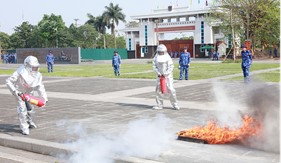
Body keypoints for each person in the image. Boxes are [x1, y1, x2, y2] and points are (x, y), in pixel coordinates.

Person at [6, 56, 48, 135]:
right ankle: (24, 127)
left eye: (36, 67)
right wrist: (15, 91)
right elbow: (8, 81)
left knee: (30, 109)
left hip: (29, 94)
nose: (35, 69)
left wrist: (44, 97)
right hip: (20, 93)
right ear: (28, 66)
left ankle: (30, 122)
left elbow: (40, 86)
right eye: (33, 67)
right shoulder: (20, 71)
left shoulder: (38, 75)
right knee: (22, 110)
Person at [152, 44, 180, 110]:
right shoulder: (156, 58)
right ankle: (159, 105)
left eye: (162, 52)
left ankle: (175, 104)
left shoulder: (167, 57)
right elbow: (154, 67)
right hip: (159, 76)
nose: (160, 53)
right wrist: (158, 73)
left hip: (168, 77)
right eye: (159, 52)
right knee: (158, 90)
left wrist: (166, 73)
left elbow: (171, 67)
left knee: (171, 90)